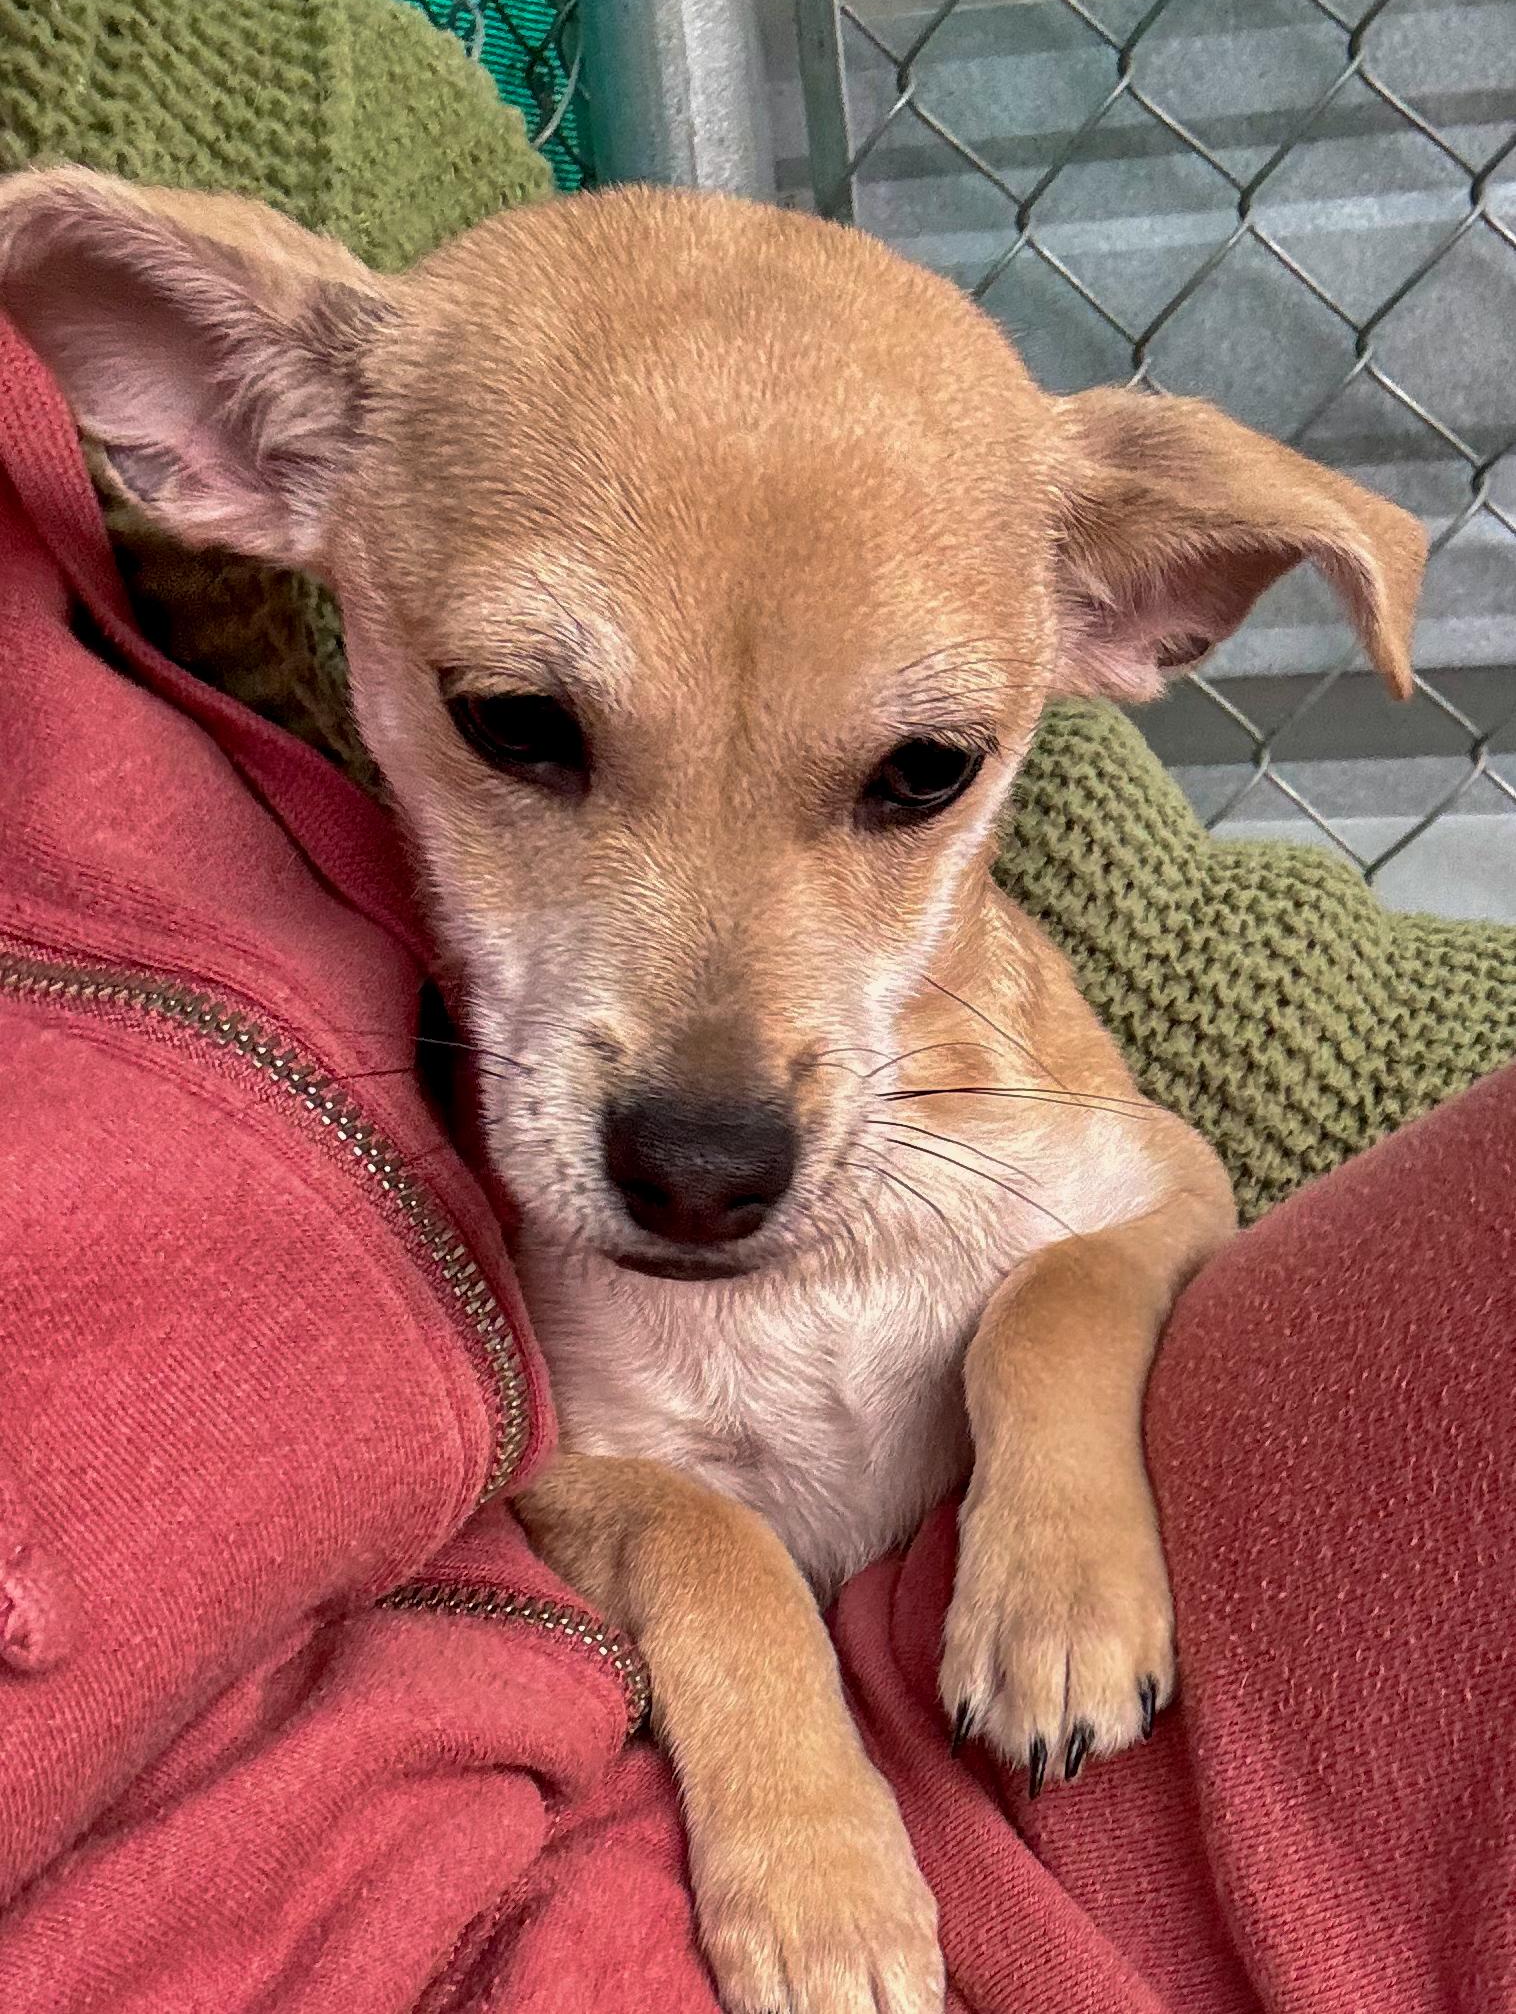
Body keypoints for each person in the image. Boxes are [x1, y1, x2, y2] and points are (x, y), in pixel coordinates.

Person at [1, 314, 1511, 2014]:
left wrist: (1058, 1382)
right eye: (527, 724)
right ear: (246, 431)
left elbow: (1172, 1189)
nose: (712, 1110)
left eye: (912, 771)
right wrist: (747, 1674)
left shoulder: (1004, 1082)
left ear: (1131, 598)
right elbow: (559, 1482)